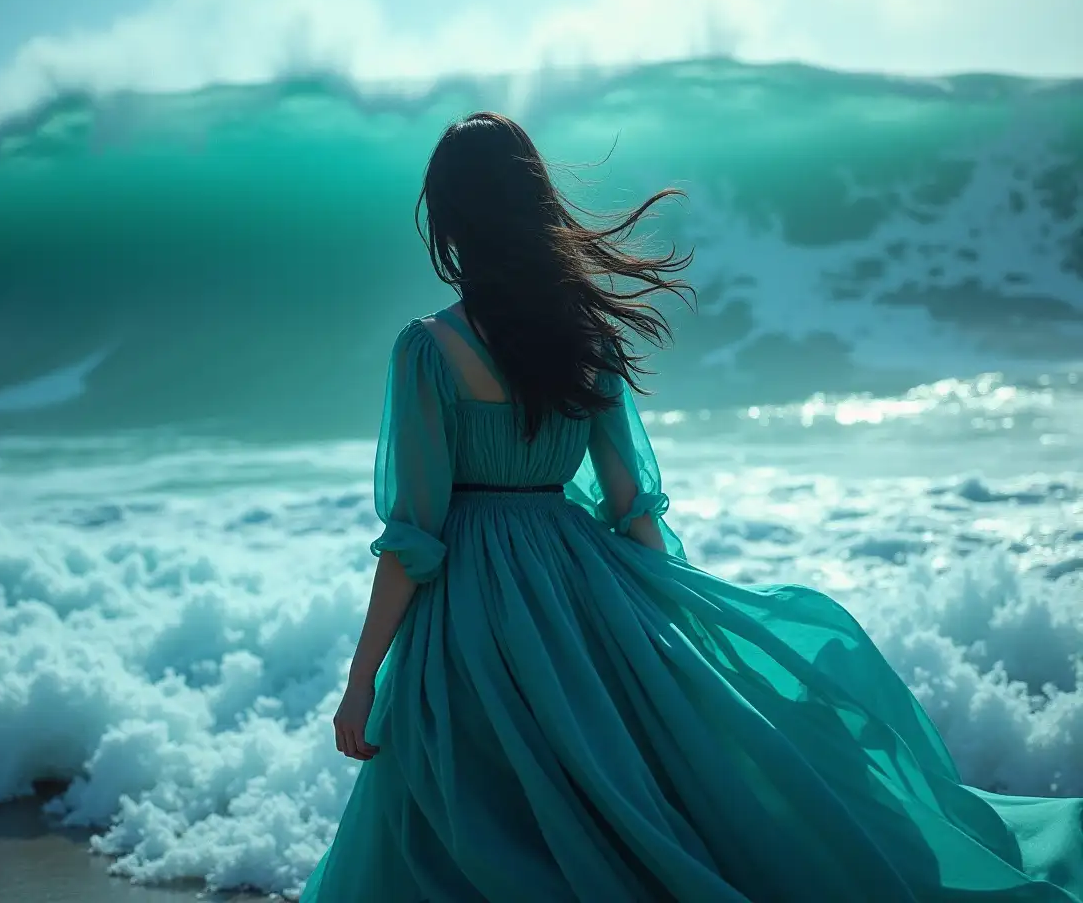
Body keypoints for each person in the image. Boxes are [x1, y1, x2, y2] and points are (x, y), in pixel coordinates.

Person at [300, 112, 1083, 902]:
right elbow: (633, 503)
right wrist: (665, 628)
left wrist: (362, 678)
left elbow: (414, 536)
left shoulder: (431, 349)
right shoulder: (584, 334)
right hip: (582, 590)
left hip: (470, 611)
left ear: (450, 216)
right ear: (534, 202)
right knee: (617, 791)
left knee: (463, 808)